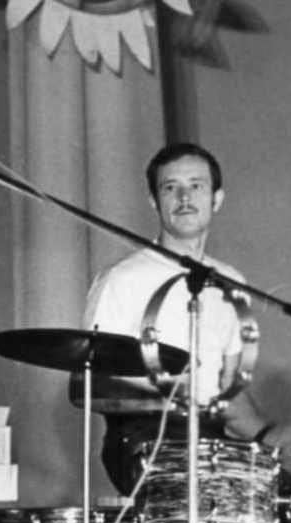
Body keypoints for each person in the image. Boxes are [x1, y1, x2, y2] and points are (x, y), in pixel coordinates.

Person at [84, 141, 270, 496]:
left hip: (209, 440)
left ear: (217, 199)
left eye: (196, 186)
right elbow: (94, 384)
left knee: (280, 499)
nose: (185, 198)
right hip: (143, 437)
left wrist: (269, 437)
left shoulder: (232, 282)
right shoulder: (120, 280)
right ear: (155, 201)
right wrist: (169, 394)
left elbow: (229, 391)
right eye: (171, 188)